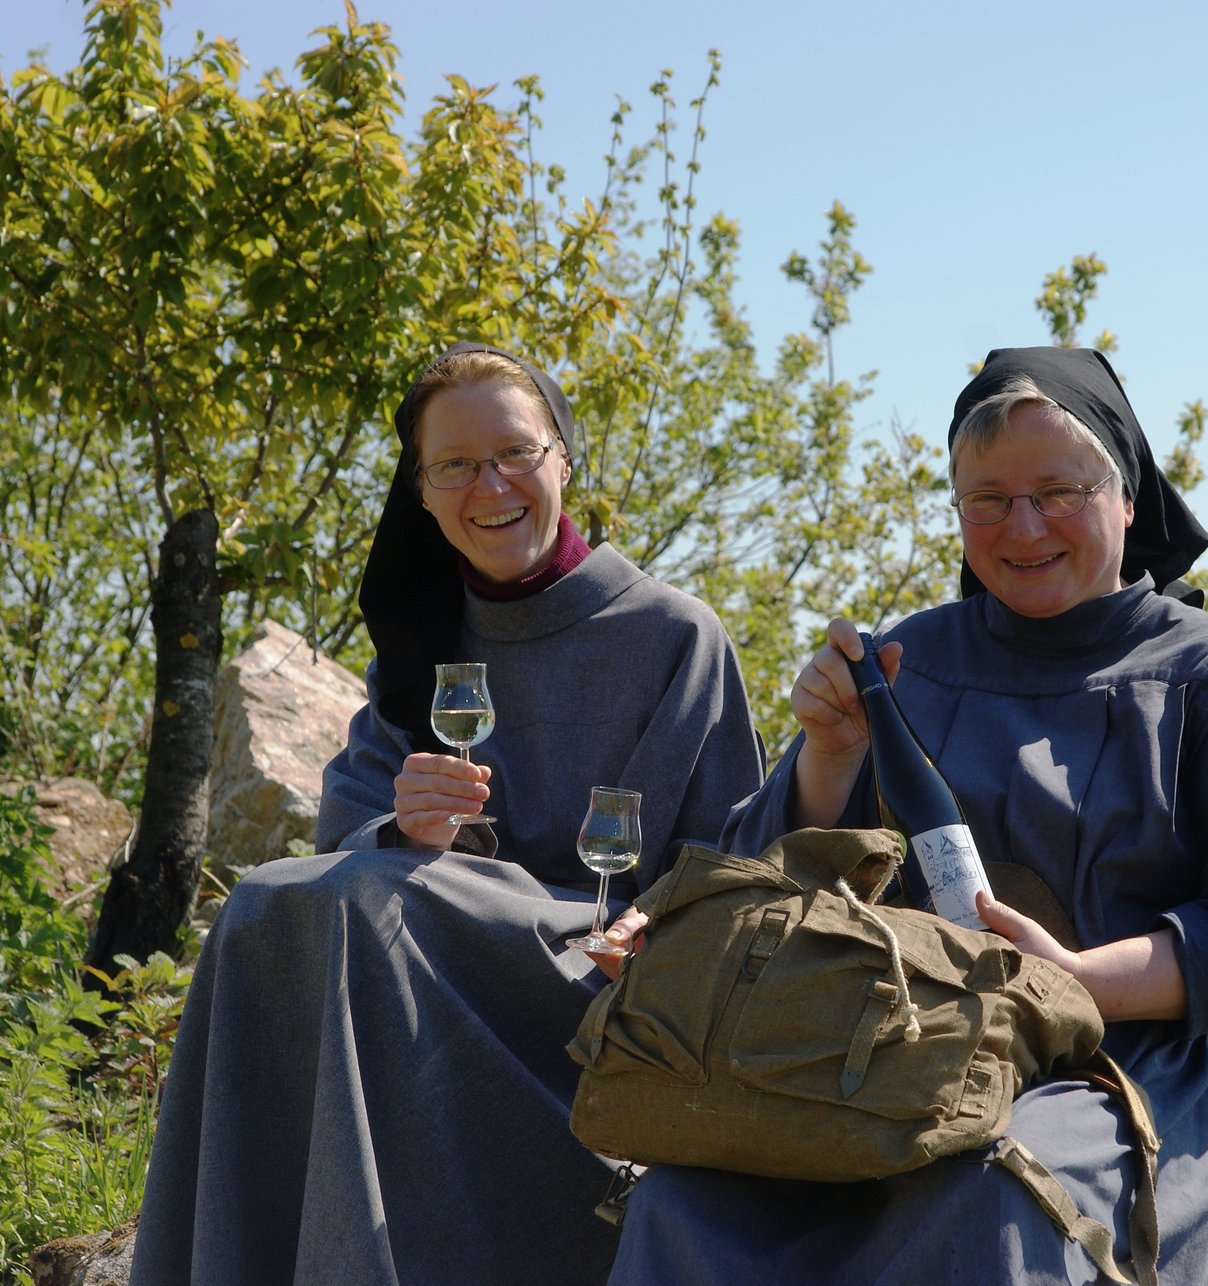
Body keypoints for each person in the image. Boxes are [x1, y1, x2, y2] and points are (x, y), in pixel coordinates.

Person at [608, 346, 1208, 1284]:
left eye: (1058, 491)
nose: (1023, 525)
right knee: (692, 1200)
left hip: (1135, 1066)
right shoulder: (910, 658)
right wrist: (830, 757)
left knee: (994, 1187)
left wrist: (1076, 978)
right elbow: (766, 881)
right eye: (987, 499)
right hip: (893, 1058)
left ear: (1127, 499)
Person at [130, 343, 764, 1285]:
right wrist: (399, 829)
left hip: (593, 979)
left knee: (356, 912)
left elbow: (730, 862)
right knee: (264, 909)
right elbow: (344, 835)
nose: (491, 485)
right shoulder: (421, 634)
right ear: (422, 493)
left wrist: (651, 918)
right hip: (424, 946)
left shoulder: (673, 636)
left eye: (515, 453)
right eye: (456, 466)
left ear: (563, 460)